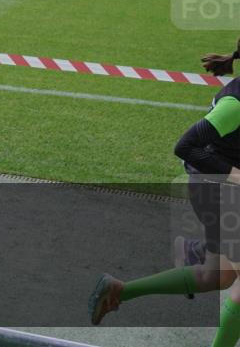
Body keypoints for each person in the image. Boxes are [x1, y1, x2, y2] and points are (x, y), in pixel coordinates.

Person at [89, 38, 240, 347]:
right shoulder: (235, 105)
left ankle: (119, 290)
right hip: (217, 191)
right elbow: (186, 146)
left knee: (217, 275)